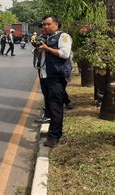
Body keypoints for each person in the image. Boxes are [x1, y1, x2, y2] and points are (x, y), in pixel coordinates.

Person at [38, 15, 73, 148]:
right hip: (45, 75)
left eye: (48, 24)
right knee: (50, 105)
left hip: (56, 76)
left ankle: (54, 137)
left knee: (55, 106)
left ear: (56, 25)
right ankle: (53, 132)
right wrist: (38, 49)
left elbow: (65, 54)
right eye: (44, 25)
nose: (45, 27)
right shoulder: (46, 38)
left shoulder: (63, 37)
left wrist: (46, 48)